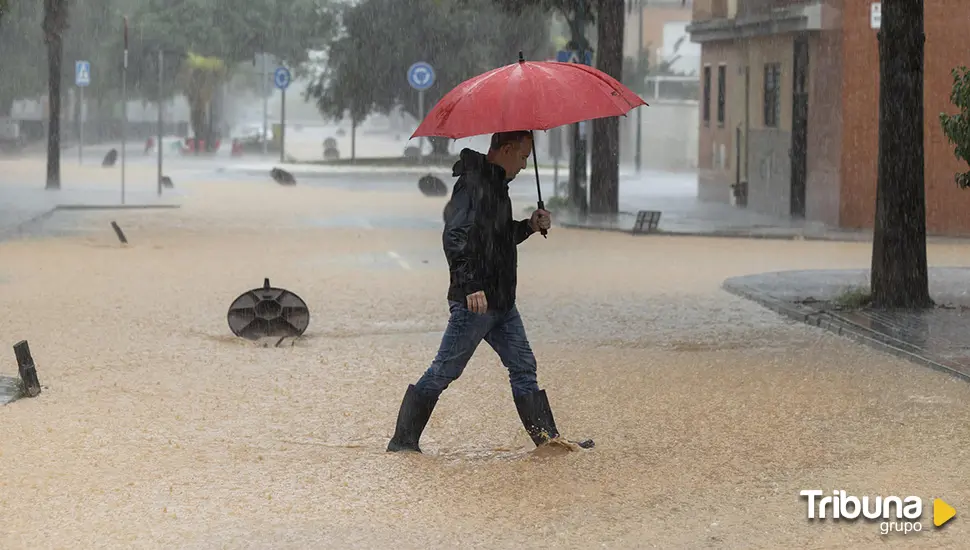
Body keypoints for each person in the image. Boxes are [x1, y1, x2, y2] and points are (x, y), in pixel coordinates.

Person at [387, 130, 594, 453]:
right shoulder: (473, 185)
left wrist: (527, 225)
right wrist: (470, 285)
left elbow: (495, 240)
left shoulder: (497, 186)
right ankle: (402, 443)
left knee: (524, 367)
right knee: (444, 371)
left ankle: (549, 443)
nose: (525, 165)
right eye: (523, 156)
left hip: (502, 302)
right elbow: (454, 237)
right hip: (476, 302)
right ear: (507, 149)